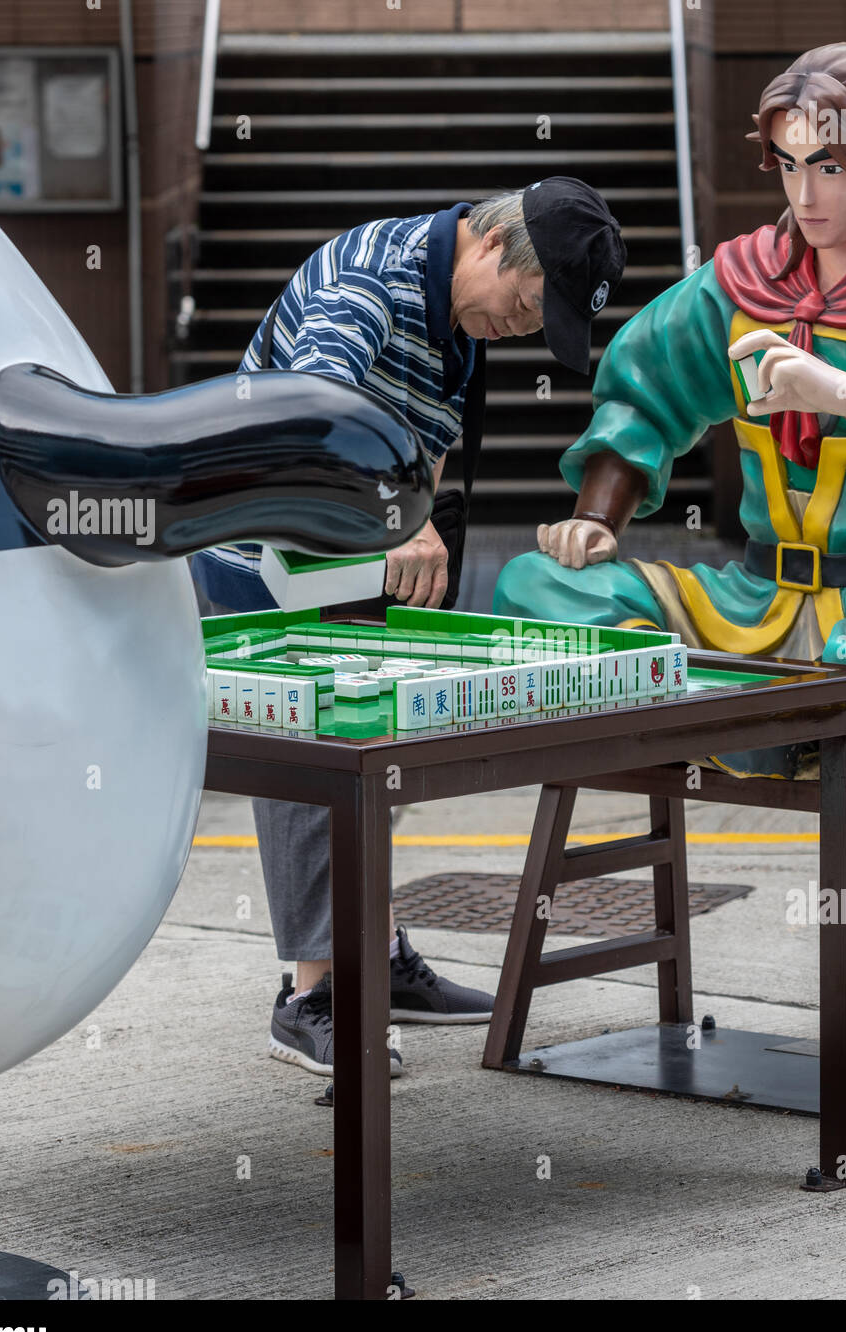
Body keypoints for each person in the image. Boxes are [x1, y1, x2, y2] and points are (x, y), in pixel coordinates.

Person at [495, 1, 846, 782]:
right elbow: (645, 386)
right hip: (747, 608)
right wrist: (597, 516)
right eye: (790, 164)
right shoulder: (740, 282)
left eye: (828, 166)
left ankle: (708, 718)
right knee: (535, 588)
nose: (806, 193)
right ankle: (766, 721)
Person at [191, 179, 627, 1077]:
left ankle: (377, 958)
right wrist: (400, 519)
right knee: (315, 747)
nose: (519, 329)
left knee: (372, 746)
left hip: (340, 558)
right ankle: (314, 995)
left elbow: (418, 458)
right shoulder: (374, 276)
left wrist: (410, 524)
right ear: (495, 249)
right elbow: (304, 413)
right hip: (259, 551)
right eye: (524, 307)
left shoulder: (456, 326)